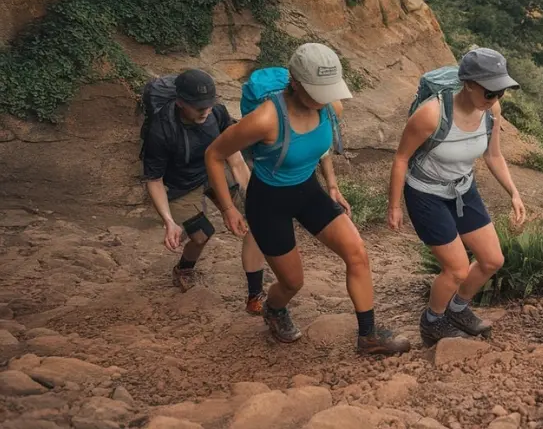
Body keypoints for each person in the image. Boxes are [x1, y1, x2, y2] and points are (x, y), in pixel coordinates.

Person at [204, 42, 411, 355]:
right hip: (268, 202)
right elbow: (214, 154)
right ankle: (273, 309)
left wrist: (332, 185)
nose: (324, 98)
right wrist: (229, 208)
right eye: (318, 91)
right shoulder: (266, 119)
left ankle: (368, 336)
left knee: (357, 252)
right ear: (295, 83)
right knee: (292, 283)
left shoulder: (330, 106)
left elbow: (320, 147)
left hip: (307, 190)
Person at [387, 47, 526, 346]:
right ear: (469, 84)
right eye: (491, 92)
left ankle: (458, 309)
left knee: (492, 260)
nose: (496, 99)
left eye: (501, 92)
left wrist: (514, 192)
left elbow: (494, 155)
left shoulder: (491, 110)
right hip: (426, 193)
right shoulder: (431, 115)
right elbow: (401, 158)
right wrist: (394, 206)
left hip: (463, 189)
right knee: (457, 269)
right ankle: (432, 322)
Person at [140, 69, 267, 314]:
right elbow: (154, 180)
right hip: (180, 185)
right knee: (201, 235)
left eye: (209, 104)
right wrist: (169, 222)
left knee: (257, 215)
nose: (205, 110)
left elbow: (236, 160)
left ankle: (255, 293)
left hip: (213, 170)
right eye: (199, 107)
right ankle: (184, 268)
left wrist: (253, 197)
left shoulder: (216, 113)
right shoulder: (162, 129)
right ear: (180, 103)